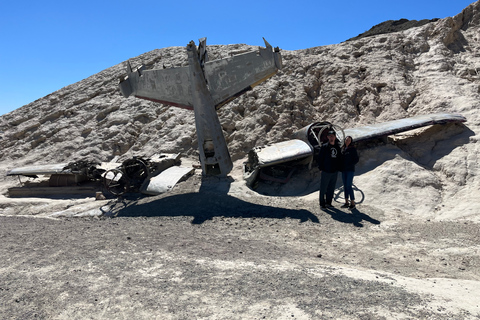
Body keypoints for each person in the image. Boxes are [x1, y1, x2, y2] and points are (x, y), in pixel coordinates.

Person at [317, 129, 342, 209]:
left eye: (333, 136)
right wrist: (321, 168)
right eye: (330, 136)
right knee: (323, 188)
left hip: (334, 171)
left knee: (331, 188)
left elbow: (339, 158)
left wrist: (339, 167)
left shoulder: (337, 147)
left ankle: (329, 202)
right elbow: (320, 158)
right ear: (328, 137)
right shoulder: (324, 147)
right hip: (326, 170)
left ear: (335, 137)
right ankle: (322, 204)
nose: (331, 138)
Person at [340, 136, 359, 209]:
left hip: (350, 170)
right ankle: (346, 202)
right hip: (344, 170)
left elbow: (356, 159)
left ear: (351, 141)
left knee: (349, 185)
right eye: (346, 140)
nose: (347, 141)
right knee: (345, 186)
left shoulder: (352, 149)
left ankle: (353, 202)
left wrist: (350, 164)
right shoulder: (343, 149)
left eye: (349, 140)